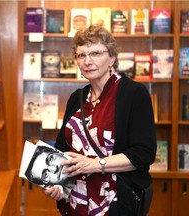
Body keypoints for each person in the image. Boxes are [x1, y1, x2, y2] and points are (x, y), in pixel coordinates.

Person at [42, 24, 157, 216]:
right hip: (75, 202)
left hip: (115, 203)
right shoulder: (76, 98)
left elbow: (143, 154)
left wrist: (95, 164)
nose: (88, 61)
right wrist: (57, 184)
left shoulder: (134, 94)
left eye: (96, 53)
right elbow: (63, 149)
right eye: (81, 55)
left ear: (112, 58)